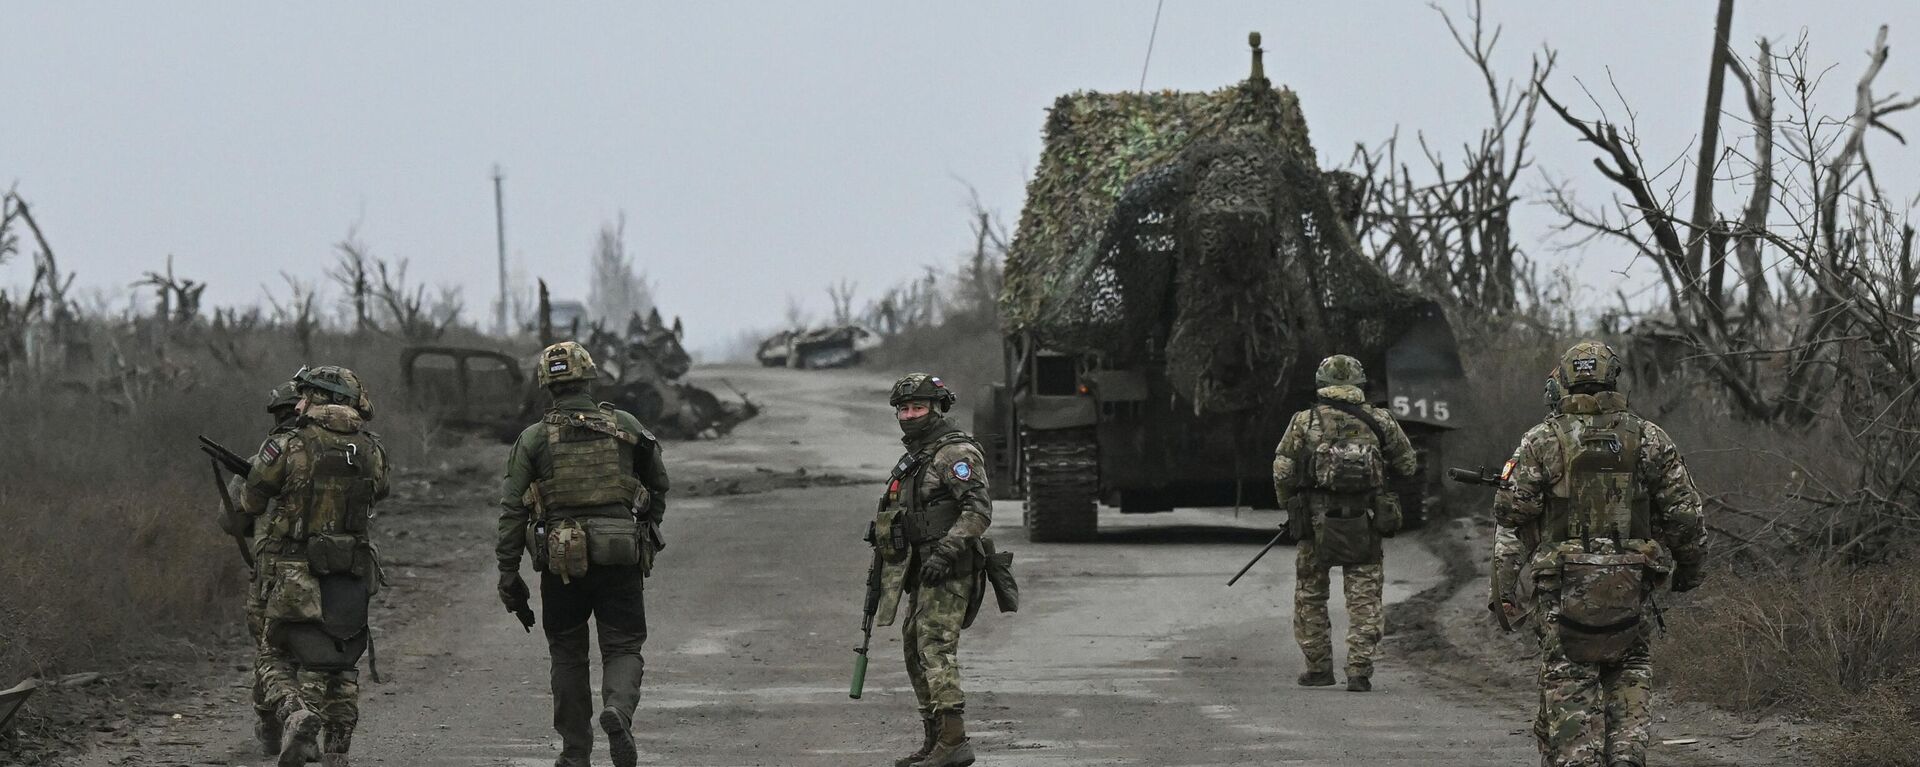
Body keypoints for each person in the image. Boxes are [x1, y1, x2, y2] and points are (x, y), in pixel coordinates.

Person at [1494, 341, 1707, 767]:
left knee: (1570, 677)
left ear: (1565, 381)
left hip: (1563, 591)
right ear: (1613, 378)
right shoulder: (1649, 437)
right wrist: (1689, 572)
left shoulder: (1541, 440)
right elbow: (1687, 516)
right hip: (1631, 588)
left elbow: (1510, 514)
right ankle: (1626, 755)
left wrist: (1505, 591)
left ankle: (1578, 758)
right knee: (1630, 670)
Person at [497, 341, 668, 767]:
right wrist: (647, 527)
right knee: (624, 646)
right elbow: (659, 482)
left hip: (562, 561)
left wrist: (508, 572)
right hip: (620, 552)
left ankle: (575, 754)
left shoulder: (534, 439)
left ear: (546, 386)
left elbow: (512, 509)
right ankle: (618, 711)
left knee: (568, 655)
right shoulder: (625, 425)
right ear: (591, 377)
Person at [235, 365, 390, 767]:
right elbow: (381, 492)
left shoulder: (288, 444)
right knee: (341, 658)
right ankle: (338, 750)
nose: (299, 401)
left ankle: (295, 713)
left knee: (275, 654)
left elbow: (250, 504)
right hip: (351, 570)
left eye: (305, 394)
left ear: (320, 398)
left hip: (294, 569)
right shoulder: (372, 449)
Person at [1271, 354, 1417, 693]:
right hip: (1364, 521)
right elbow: (1408, 465)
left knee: (1310, 596)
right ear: (1360, 384)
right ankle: (1359, 672)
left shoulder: (1304, 421)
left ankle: (1319, 669)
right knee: (1364, 599)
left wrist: (1289, 506)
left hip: (1315, 522)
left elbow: (1282, 470)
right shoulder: (1381, 420)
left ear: (1322, 384)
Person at [869, 373, 992, 767]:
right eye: (903, 409)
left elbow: (978, 511)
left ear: (937, 409)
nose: (909, 415)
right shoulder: (919, 455)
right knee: (914, 649)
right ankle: (935, 738)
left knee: (935, 648)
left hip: (950, 567)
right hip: (922, 569)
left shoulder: (954, 453)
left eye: (918, 407)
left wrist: (946, 553)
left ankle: (954, 741)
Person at [224, 376, 307, 756]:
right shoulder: (337, 455)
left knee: (269, 650)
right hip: (329, 569)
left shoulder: (267, 459)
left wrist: (246, 478)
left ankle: (278, 721)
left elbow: (232, 520)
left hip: (274, 574)